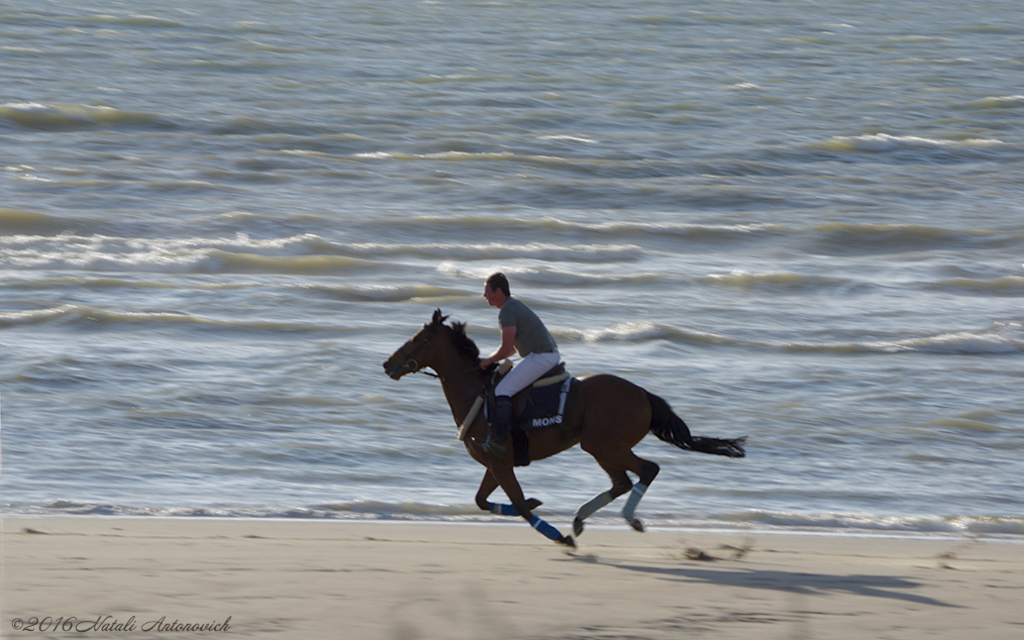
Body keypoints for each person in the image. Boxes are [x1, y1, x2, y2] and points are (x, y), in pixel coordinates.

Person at [478, 272, 561, 456]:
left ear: (498, 291)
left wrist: (487, 361)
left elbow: (507, 348)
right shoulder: (512, 306)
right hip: (542, 354)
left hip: (541, 356)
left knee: (502, 390)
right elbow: (512, 349)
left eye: (487, 291)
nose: (484, 296)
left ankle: (500, 441)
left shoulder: (507, 311)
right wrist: (491, 359)